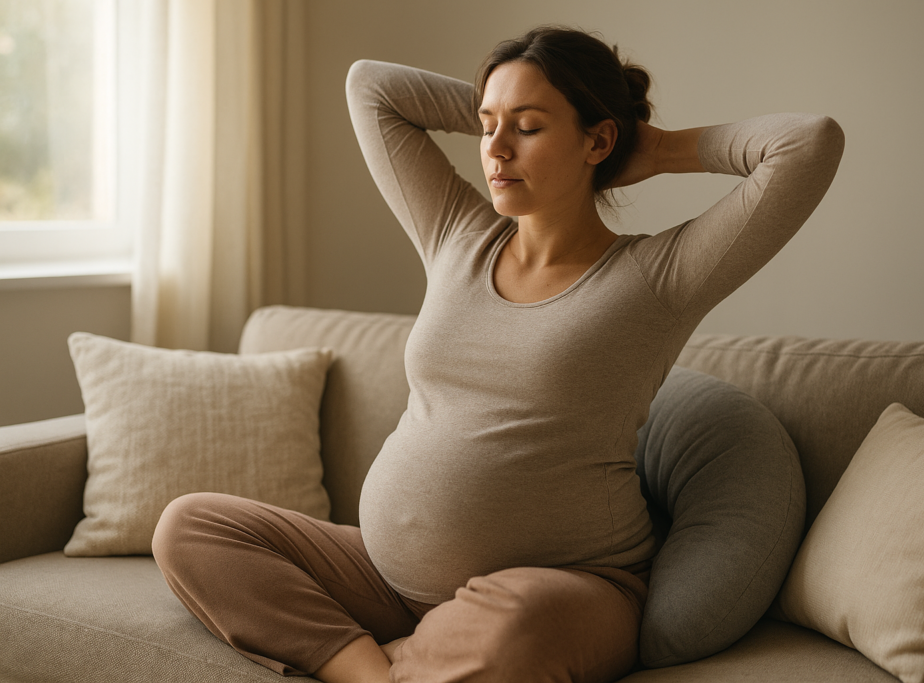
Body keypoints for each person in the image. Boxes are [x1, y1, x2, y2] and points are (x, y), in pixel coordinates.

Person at [152, 25, 844, 683]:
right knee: (190, 525)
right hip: (387, 579)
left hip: (567, 589)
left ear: (598, 140)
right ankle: (372, 665)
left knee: (513, 632)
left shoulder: (659, 277)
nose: (495, 149)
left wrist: (654, 147)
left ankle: (427, 654)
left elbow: (808, 144)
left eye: (530, 127)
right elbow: (371, 88)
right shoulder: (458, 235)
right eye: (487, 126)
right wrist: (510, 105)